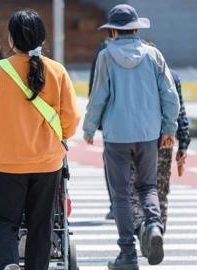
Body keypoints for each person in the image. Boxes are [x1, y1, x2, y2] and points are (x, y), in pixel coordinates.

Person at [0, 9, 80, 270]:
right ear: (42, 38)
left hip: (9, 163)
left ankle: (8, 263)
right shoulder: (58, 71)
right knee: (42, 224)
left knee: (3, 220)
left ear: (12, 40)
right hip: (48, 164)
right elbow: (70, 121)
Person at [83, 4, 180, 269]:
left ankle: (128, 254)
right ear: (136, 28)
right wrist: (169, 129)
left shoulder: (106, 56)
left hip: (117, 135)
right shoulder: (154, 55)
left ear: (113, 30)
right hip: (148, 134)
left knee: (122, 194)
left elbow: (98, 97)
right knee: (147, 187)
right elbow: (170, 96)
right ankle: (154, 225)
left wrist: (89, 129)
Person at [131, 68, 191, 242]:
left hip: (137, 138)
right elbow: (179, 110)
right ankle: (158, 231)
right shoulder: (172, 76)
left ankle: (142, 227)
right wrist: (183, 143)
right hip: (165, 139)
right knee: (160, 190)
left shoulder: (135, 75)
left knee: (134, 188)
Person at [88, 31, 115, 220]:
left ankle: (116, 204)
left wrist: (91, 124)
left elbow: (95, 88)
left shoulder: (104, 51)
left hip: (112, 121)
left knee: (113, 166)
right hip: (144, 125)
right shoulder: (149, 52)